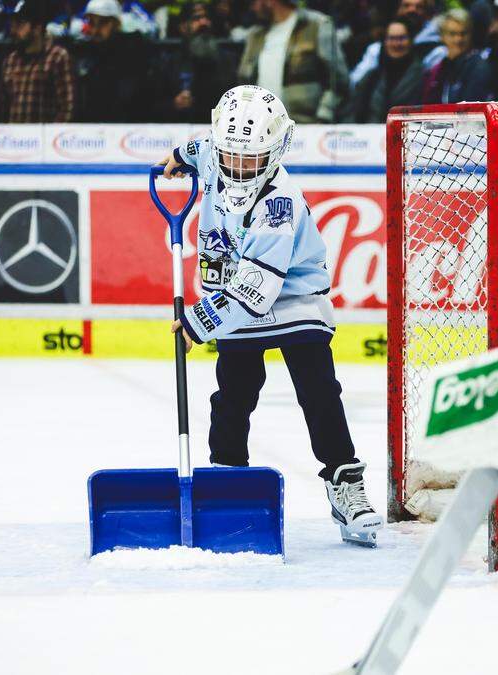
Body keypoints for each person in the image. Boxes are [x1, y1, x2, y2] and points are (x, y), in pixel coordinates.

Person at [160, 85, 385, 548]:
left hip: (292, 299)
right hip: (235, 299)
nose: (238, 168)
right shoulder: (217, 154)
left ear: (275, 151)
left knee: (319, 392)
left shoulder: (278, 202)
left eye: (251, 159)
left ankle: (345, 485)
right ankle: (227, 482)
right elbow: (200, 150)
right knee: (233, 398)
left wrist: (199, 325)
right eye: (230, 156)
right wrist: (178, 156)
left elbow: (256, 293)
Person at [236, 0, 348, 124]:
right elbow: (244, 83)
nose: (252, 7)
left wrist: (323, 117)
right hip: (263, 129)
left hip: (306, 127)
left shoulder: (317, 25)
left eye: (254, 2)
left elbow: (338, 81)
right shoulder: (255, 36)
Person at [0, 0, 74, 122]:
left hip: (44, 138)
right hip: (13, 138)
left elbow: (67, 107)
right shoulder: (10, 61)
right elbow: (1, 106)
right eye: (12, 24)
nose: (13, 30)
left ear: (37, 27)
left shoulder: (57, 57)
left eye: (19, 24)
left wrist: (51, 135)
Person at [153, 1, 229, 123]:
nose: (204, 23)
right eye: (196, 18)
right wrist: (174, 104)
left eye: (207, 18)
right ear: (183, 27)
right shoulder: (169, 63)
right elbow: (152, 105)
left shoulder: (226, 61)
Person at [74, 0, 149, 122]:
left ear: (116, 24)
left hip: (125, 125)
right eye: (92, 23)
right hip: (91, 129)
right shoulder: (85, 52)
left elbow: (130, 98)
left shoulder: (131, 52)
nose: (96, 29)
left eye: (103, 22)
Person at [345, 18, 423, 123]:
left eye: (401, 38)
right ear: (385, 41)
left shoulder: (424, 76)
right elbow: (353, 112)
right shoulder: (371, 77)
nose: (396, 44)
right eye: (391, 38)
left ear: (411, 40)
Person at [422, 8, 490, 104]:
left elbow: (471, 110)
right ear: (442, 36)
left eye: (463, 34)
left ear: (471, 35)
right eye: (452, 34)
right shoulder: (438, 69)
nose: (458, 40)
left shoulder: (478, 67)